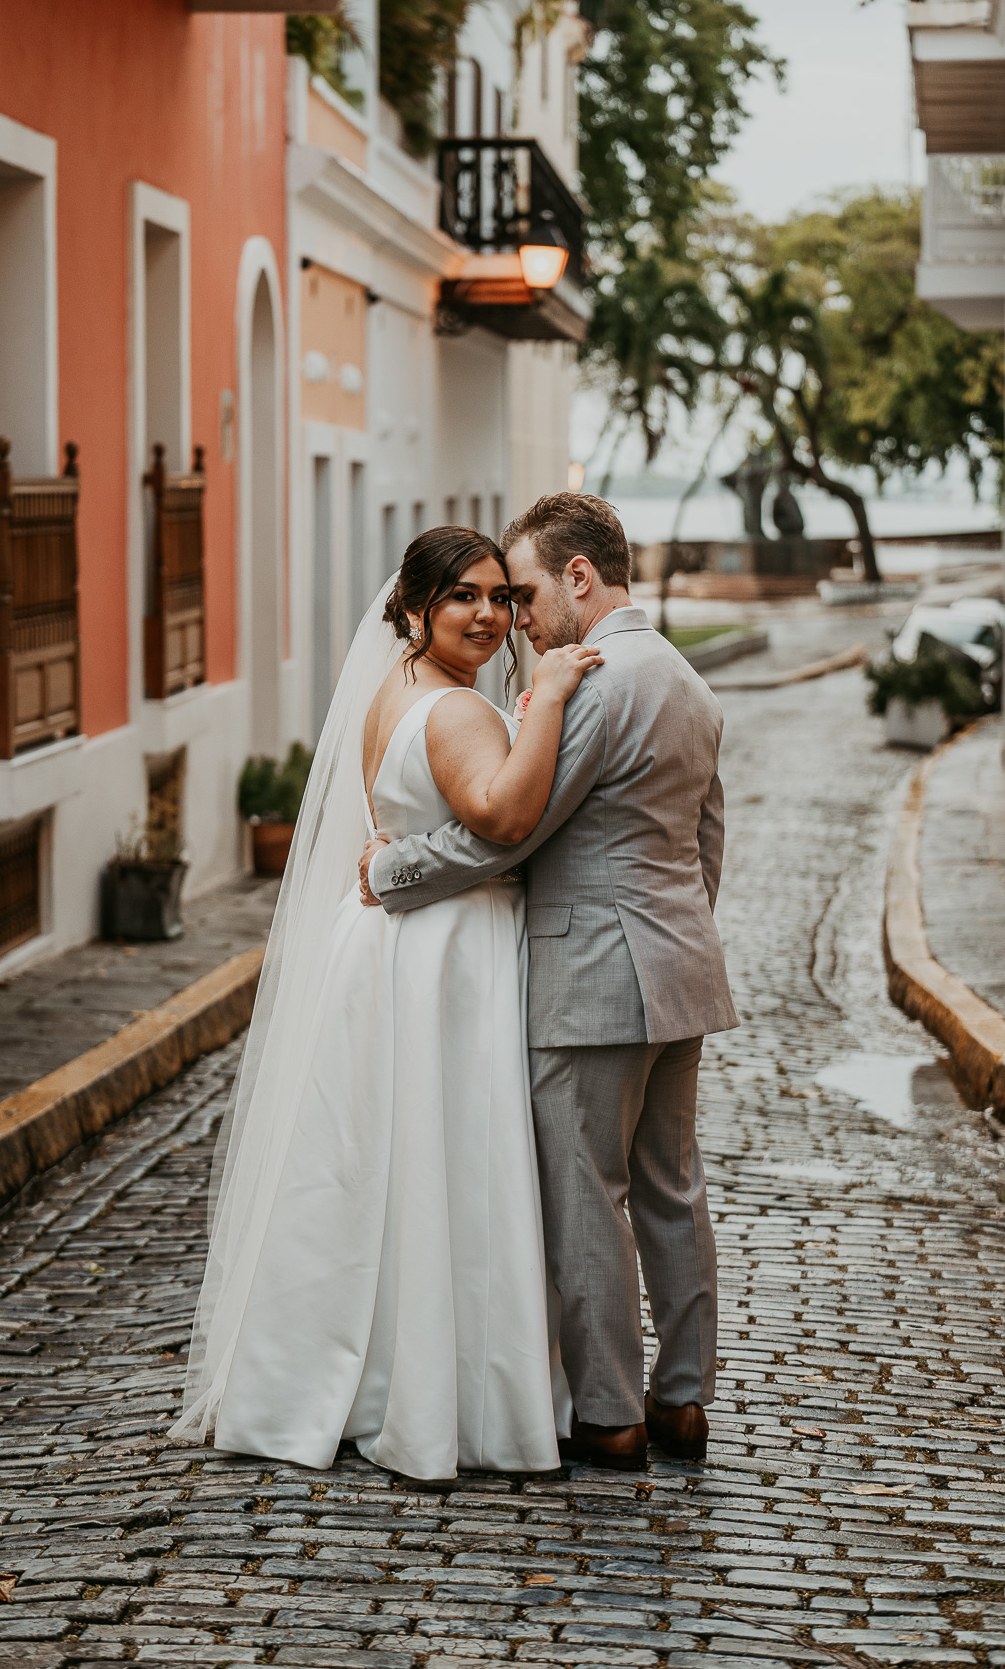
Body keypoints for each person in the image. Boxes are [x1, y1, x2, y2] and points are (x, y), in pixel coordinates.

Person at [169, 527, 601, 1481]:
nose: (489, 615)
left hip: (390, 947)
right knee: (451, 1159)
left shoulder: (392, 689)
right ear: (416, 608)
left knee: (383, 1169)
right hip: (448, 950)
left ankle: (353, 1375)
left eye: (500, 597)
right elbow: (503, 817)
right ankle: (454, 1398)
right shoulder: (455, 711)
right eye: (464, 599)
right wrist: (552, 702)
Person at [360, 493, 738, 1471]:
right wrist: (678, 934)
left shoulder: (600, 682)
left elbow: (509, 831)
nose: (517, 621)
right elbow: (707, 842)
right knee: (672, 1188)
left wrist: (389, 871)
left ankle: (610, 1413)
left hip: (591, 974)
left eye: (524, 595)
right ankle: (684, 1401)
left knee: (587, 1195)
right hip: (681, 966)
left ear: (579, 579)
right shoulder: (690, 681)